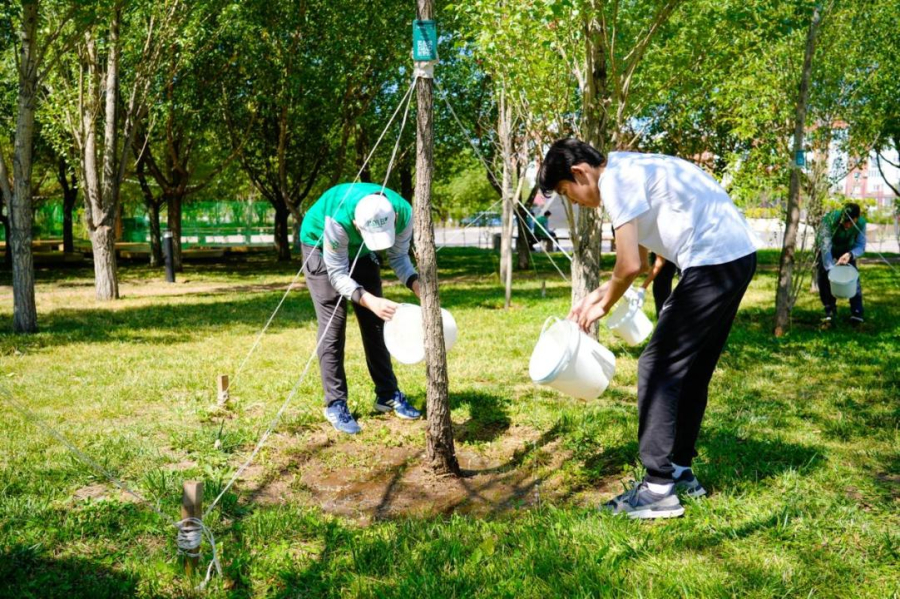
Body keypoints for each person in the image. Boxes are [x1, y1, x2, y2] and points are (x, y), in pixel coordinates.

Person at [539, 138, 758, 519]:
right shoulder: (629, 170)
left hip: (711, 261)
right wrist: (596, 295)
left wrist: (603, 307)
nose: (572, 201)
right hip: (736, 258)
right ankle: (679, 471)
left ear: (579, 173)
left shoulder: (615, 182)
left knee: (655, 367)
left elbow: (626, 266)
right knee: (690, 370)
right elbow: (638, 259)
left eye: (566, 192)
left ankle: (658, 489)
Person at [300, 183, 422, 434]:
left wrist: (419, 286)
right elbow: (337, 274)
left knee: (377, 322)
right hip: (320, 245)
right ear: (357, 224)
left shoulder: (404, 213)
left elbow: (399, 258)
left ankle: (387, 395)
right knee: (333, 325)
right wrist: (370, 300)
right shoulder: (337, 219)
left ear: (394, 218)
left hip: (361, 250)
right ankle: (335, 403)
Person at [816, 202, 866, 327]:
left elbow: (860, 245)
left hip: (847, 253)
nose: (847, 225)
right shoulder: (829, 220)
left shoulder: (861, 224)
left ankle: (857, 313)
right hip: (828, 252)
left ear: (857, 219)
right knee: (825, 280)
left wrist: (850, 254)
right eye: (845, 222)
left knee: (854, 281)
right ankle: (829, 311)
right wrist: (831, 268)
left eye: (851, 222)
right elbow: (825, 245)